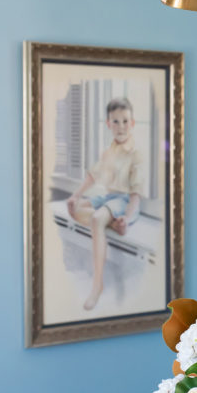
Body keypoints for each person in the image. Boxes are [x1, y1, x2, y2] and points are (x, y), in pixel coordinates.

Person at [66, 97, 142, 310]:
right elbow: (92, 176)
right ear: (108, 124)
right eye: (116, 122)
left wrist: (127, 216)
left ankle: (97, 286)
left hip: (125, 201)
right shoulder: (108, 152)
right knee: (78, 209)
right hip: (109, 199)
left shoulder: (136, 155)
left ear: (132, 123)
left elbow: (136, 195)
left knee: (98, 218)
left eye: (125, 121)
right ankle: (114, 224)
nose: (121, 127)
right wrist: (76, 195)